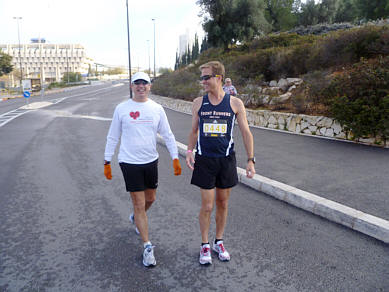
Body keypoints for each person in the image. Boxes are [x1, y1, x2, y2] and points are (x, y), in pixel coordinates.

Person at [104, 71, 182, 267]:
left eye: (144, 83)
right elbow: (113, 136)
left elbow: (168, 134)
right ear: (131, 86)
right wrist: (107, 160)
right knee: (139, 204)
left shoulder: (156, 109)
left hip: (150, 161)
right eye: (137, 83)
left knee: (151, 199)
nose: (141, 86)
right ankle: (147, 247)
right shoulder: (122, 109)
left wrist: (175, 157)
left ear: (150, 86)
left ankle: (136, 218)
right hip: (129, 163)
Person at [186, 61, 255, 265]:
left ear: (218, 78)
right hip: (204, 159)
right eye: (202, 78)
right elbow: (193, 130)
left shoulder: (235, 103)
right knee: (207, 206)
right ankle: (205, 245)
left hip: (226, 160)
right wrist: (190, 151)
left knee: (223, 203)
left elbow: (245, 132)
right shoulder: (199, 103)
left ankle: (219, 241)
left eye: (206, 77)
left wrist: (250, 160)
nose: (203, 81)